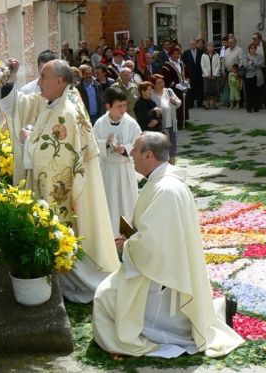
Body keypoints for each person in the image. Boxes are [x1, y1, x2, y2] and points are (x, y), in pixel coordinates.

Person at [92, 132, 244, 359]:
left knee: (104, 297)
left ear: (149, 155)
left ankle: (210, 313)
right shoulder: (165, 181)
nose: (131, 153)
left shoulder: (165, 190)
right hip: (166, 269)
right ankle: (217, 308)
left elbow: (153, 245)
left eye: (135, 149)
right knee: (108, 292)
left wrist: (127, 245)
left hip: (161, 278)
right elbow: (157, 236)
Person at [0, 59, 120, 302]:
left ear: (59, 81)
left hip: (64, 187)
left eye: (43, 77)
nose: (39, 82)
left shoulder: (65, 111)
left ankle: (74, 275)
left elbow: (56, 155)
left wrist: (27, 140)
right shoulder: (57, 101)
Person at [93, 88, 142, 236]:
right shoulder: (100, 123)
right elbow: (93, 145)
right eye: (119, 106)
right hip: (108, 170)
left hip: (125, 170)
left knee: (128, 203)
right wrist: (106, 143)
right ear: (108, 106)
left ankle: (129, 237)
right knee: (110, 204)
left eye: (125, 105)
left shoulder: (131, 123)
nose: (123, 109)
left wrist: (125, 149)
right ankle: (111, 237)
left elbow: (139, 144)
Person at [150, 74, 182, 165]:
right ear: (153, 85)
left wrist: (175, 102)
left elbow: (179, 102)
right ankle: (163, 168)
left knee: (172, 148)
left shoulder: (168, 91)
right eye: (158, 83)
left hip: (171, 124)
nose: (161, 84)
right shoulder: (151, 94)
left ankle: (172, 166)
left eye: (162, 82)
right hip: (160, 126)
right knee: (163, 148)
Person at [161, 47, 188, 129]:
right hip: (173, 89)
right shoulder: (166, 66)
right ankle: (175, 122)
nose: (176, 56)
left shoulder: (181, 64)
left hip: (183, 87)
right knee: (176, 105)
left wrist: (187, 82)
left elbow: (186, 73)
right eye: (174, 54)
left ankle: (183, 120)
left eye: (178, 54)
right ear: (171, 55)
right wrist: (176, 85)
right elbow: (166, 78)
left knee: (184, 104)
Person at [240, 43, 264, 113]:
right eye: (251, 48)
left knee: (256, 92)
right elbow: (245, 65)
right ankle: (249, 107)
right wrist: (254, 65)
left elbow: (261, 64)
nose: (253, 49)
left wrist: (253, 63)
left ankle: (256, 107)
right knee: (249, 93)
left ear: (256, 49)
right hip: (248, 76)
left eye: (254, 48)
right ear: (249, 49)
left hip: (257, 76)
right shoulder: (246, 56)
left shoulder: (259, 56)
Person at [253, 32, 266, 109]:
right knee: (258, 86)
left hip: (265, 68)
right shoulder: (253, 46)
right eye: (253, 38)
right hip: (256, 69)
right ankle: (259, 103)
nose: (253, 40)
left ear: (259, 39)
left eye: (254, 38)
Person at [182, 38, 205, 109]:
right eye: (191, 44)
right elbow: (184, 64)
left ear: (196, 44)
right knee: (190, 89)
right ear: (189, 45)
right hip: (190, 74)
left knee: (200, 88)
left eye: (194, 44)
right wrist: (185, 75)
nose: (193, 45)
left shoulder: (201, 52)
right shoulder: (186, 53)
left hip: (199, 73)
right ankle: (190, 103)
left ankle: (200, 103)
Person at [200, 42, 222, 109]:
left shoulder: (217, 55)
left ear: (213, 47)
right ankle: (208, 103)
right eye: (209, 46)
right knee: (207, 90)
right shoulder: (203, 55)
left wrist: (214, 74)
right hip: (207, 76)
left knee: (215, 89)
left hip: (215, 75)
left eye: (211, 46)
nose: (210, 48)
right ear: (206, 48)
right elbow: (202, 65)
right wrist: (207, 74)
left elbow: (218, 65)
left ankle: (215, 103)